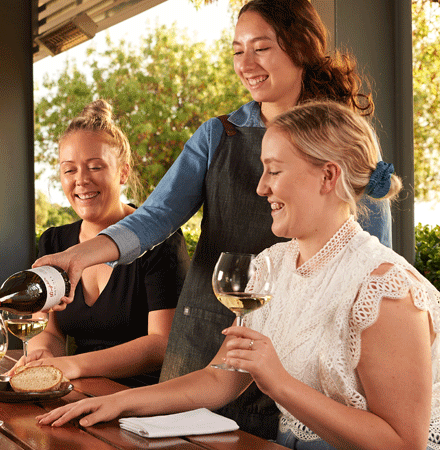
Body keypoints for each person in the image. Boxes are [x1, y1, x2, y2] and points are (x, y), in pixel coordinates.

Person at [35, 0, 391, 438]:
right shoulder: (219, 136)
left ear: (301, 49)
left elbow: (371, 272)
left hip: (310, 350)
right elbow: (156, 216)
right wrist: (80, 255)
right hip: (216, 338)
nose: (247, 63)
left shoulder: (347, 147)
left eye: (261, 47)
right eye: (238, 50)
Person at [38, 99, 440, 450]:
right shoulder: (272, 265)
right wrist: (118, 402)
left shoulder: (387, 288)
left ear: (328, 176)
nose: (261, 188)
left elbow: (402, 443)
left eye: (274, 171)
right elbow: (221, 379)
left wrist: (278, 382)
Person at [9, 100, 190, 387]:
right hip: (79, 392)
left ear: (123, 173)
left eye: (95, 167)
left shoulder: (160, 241)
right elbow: (50, 331)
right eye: (69, 170)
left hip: (146, 401)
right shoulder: (54, 241)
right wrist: (41, 353)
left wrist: (72, 365)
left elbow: (161, 344)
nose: (81, 180)